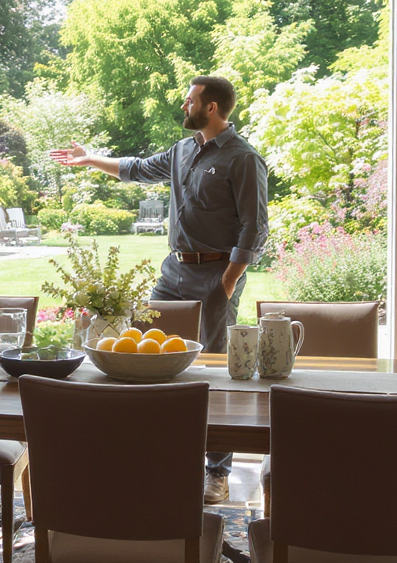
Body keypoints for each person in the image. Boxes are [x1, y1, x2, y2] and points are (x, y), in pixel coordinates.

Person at [49, 75, 268, 504]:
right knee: (148, 357)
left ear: (211, 108)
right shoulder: (183, 150)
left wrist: (228, 281)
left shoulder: (242, 159)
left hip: (215, 275)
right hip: (173, 273)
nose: (183, 105)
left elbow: (254, 227)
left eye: (190, 100)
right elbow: (136, 168)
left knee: (212, 372)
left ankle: (217, 472)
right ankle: (156, 453)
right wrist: (89, 159)